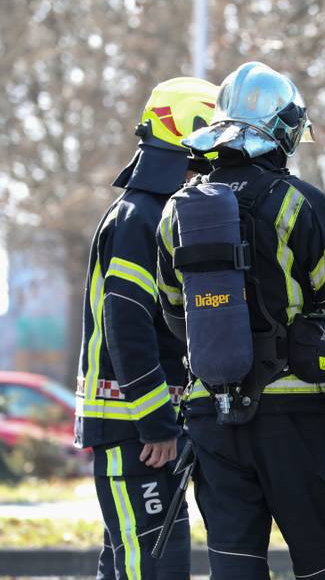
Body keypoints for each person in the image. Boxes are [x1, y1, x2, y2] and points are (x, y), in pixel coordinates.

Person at [156, 61, 325, 579]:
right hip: (295, 419)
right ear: (283, 130)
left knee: (235, 566)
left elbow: (171, 312)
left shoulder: (177, 211)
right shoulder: (298, 202)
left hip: (214, 417)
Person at [74, 76, 219, 579]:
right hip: (136, 428)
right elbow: (126, 320)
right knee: (155, 566)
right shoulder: (142, 216)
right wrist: (156, 420)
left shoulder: (149, 209)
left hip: (138, 423)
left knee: (129, 563)